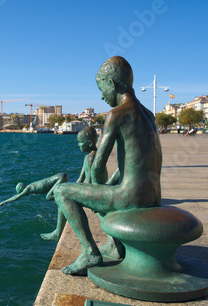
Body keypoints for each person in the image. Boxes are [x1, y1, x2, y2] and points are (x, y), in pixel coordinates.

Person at [53, 56, 162, 275]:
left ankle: (90, 252)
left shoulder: (116, 114)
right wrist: (107, 187)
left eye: (101, 89)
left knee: (61, 191)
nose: (102, 96)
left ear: (112, 84)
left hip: (131, 197)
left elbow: (97, 166)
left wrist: (96, 193)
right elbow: (135, 163)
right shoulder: (149, 116)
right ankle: (114, 243)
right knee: (104, 190)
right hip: (153, 196)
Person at [0, 127, 107, 241]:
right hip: (88, 186)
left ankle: (58, 233)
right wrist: (70, 188)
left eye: (80, 143)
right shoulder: (88, 156)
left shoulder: (90, 158)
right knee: (62, 194)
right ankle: (58, 231)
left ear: (89, 143)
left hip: (94, 192)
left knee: (60, 197)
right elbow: (80, 180)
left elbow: (89, 185)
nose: (78, 145)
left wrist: (6, 201)